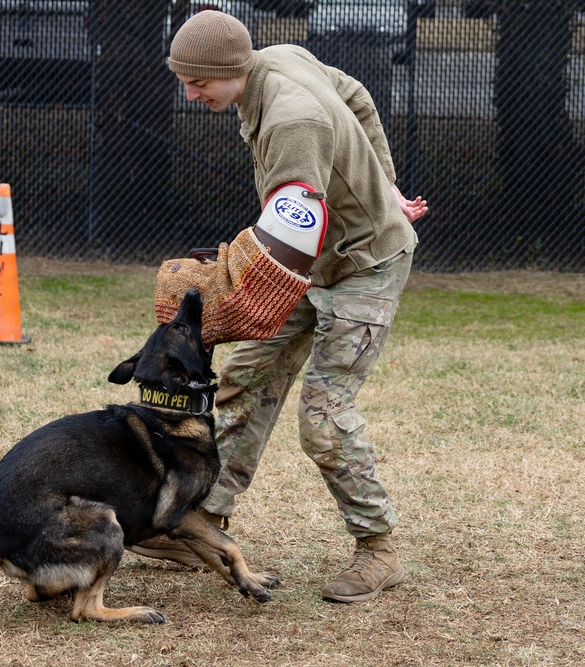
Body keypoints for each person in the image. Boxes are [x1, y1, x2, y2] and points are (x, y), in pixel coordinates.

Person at [128, 10, 429, 603]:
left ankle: (379, 549)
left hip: (363, 266)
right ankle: (204, 525)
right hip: (316, 259)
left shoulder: (292, 123)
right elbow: (357, 95)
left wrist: (230, 287)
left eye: (197, 83)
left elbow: (292, 233)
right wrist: (385, 184)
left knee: (323, 417)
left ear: (228, 69)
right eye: (184, 80)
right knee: (244, 380)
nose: (189, 94)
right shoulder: (279, 59)